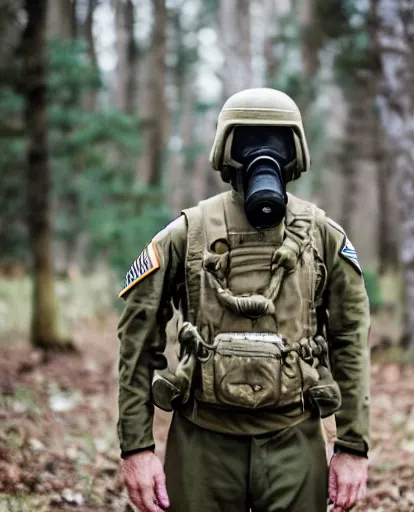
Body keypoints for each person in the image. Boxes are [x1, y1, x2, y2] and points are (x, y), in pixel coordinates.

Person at [117, 88, 371, 512]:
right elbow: (137, 341)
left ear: (297, 152)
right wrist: (136, 449)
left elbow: (351, 341)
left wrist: (353, 445)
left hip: (294, 439)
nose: (263, 155)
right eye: (250, 140)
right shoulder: (187, 234)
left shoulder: (323, 237)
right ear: (225, 149)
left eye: (277, 142)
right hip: (202, 442)